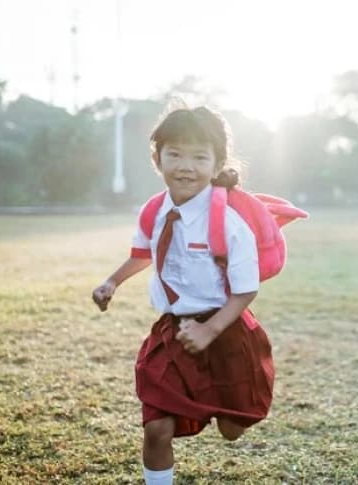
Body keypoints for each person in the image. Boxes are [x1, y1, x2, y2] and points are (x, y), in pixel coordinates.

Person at [92, 105, 274, 485]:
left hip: (226, 331)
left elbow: (246, 289)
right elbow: (142, 254)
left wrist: (210, 331)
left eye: (199, 156)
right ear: (157, 159)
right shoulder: (154, 210)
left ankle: (227, 412)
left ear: (216, 162)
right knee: (156, 428)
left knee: (231, 428)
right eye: (174, 154)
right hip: (173, 331)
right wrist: (112, 282)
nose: (185, 166)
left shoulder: (228, 220)